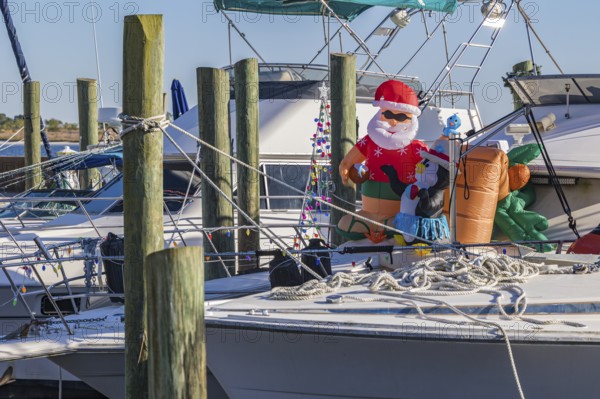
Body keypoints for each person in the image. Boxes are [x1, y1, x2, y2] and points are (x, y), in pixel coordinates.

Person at [337, 80, 427, 242]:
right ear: (381, 113)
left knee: (400, 225)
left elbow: (430, 170)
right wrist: (345, 166)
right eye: (388, 115)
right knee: (345, 224)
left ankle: (389, 225)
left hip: (397, 211)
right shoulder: (370, 140)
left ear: (411, 119)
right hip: (368, 212)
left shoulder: (416, 147)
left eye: (400, 116)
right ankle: (373, 223)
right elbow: (350, 159)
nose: (392, 121)